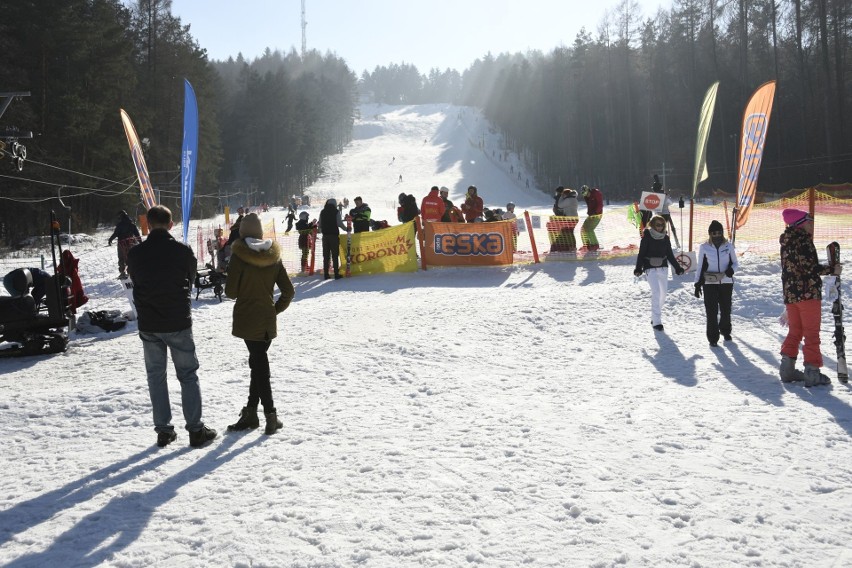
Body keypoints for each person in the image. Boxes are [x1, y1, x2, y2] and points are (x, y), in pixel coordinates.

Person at [126, 205, 217, 448]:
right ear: (171, 224)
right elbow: (192, 278)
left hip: (149, 323)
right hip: (177, 320)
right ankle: (196, 430)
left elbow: (134, 279)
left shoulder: (135, 253)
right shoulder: (182, 250)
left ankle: (164, 431)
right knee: (187, 375)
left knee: (156, 377)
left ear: (147, 224)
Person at [224, 212, 295, 435]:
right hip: (266, 319)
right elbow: (288, 291)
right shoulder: (273, 256)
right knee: (258, 364)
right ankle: (251, 412)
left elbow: (231, 292)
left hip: (247, 318)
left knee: (260, 366)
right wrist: (274, 310)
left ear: (243, 232)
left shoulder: (239, 256)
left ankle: (270, 414)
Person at [778, 208, 842, 386]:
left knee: (795, 331)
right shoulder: (803, 241)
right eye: (809, 221)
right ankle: (812, 372)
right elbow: (809, 268)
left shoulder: (787, 239)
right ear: (801, 223)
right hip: (807, 293)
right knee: (811, 333)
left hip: (791, 294)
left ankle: (787, 370)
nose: (812, 224)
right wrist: (832, 270)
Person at [633, 214, 685, 331]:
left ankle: (654, 315)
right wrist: (638, 268)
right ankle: (657, 321)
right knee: (656, 292)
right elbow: (641, 254)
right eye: (658, 225)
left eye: (662, 225)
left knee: (663, 294)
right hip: (650, 268)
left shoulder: (665, 238)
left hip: (663, 268)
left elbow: (670, 255)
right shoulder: (647, 237)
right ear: (652, 225)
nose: (660, 227)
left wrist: (677, 267)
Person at [694, 220, 738, 347]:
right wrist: (697, 283)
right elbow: (700, 266)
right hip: (710, 283)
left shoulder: (728, 246)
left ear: (722, 233)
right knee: (711, 310)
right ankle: (713, 337)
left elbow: (735, 263)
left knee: (725, 308)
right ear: (710, 234)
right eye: (714, 233)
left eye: (719, 232)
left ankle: (725, 330)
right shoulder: (704, 247)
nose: (716, 235)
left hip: (726, 281)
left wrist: (731, 270)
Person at [319, 198, 348, 280]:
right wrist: (346, 229)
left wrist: (323, 231)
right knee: (335, 255)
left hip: (325, 236)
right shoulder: (336, 211)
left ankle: (326, 274)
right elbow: (339, 223)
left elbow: (320, 224)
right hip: (334, 236)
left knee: (326, 256)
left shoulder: (322, 211)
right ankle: (336, 274)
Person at [107, 210, 141, 278]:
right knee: (130, 257)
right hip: (131, 243)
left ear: (120, 216)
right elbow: (137, 234)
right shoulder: (132, 224)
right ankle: (130, 272)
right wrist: (140, 242)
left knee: (121, 258)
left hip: (121, 243)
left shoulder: (120, 225)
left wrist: (110, 239)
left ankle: (122, 272)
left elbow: (116, 234)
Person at [551, 186, 579, 252]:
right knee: (570, 232)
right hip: (575, 218)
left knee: (568, 232)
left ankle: (571, 247)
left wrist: (560, 196)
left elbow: (560, 205)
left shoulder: (568, 200)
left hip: (570, 218)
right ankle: (572, 246)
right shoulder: (574, 199)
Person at [580, 185, 604, 251]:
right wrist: (590, 213)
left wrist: (595, 212)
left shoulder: (595, 193)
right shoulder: (586, 197)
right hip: (591, 215)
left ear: (588, 191)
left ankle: (595, 244)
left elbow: (600, 204)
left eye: (586, 193)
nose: (585, 195)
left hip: (597, 215)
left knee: (589, 229)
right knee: (583, 228)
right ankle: (587, 244)